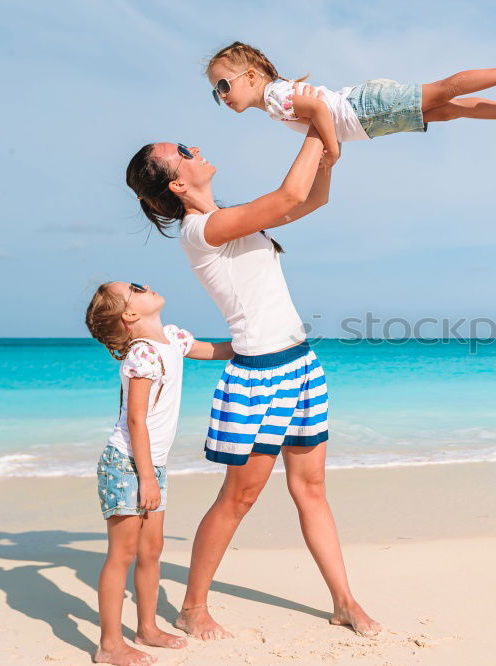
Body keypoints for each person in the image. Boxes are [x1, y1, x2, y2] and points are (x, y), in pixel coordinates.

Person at [125, 129, 381, 639]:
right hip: (259, 379)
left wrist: (327, 155)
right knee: (238, 499)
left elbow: (312, 198)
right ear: (176, 185)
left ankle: (344, 602)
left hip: (301, 366)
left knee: (312, 489)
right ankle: (193, 607)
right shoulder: (201, 231)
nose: (194, 148)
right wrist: (315, 122)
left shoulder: (229, 218)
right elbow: (288, 195)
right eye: (181, 152)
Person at [85, 281, 233, 665]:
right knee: (123, 553)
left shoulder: (171, 338)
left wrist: (262, 344)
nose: (146, 285)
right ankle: (109, 644)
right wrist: (147, 478)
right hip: (127, 464)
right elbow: (136, 421)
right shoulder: (142, 355)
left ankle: (146, 627)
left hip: (153, 464)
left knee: (152, 550)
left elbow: (216, 350)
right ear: (130, 315)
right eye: (135, 289)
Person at [206, 41, 496, 169]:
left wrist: (332, 150)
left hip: (367, 110)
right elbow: (318, 111)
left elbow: (320, 111)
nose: (222, 95)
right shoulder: (276, 98)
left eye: (223, 85)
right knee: (448, 110)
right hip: (369, 119)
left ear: (251, 76)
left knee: (443, 91)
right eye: (215, 92)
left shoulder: (273, 98)